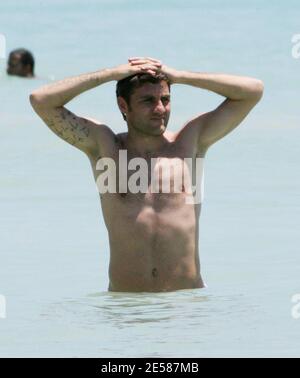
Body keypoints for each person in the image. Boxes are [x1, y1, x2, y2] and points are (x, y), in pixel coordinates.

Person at [29, 57, 264, 292]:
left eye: (165, 99)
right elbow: (41, 100)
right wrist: (111, 74)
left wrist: (180, 76)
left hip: (184, 306)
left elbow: (253, 91)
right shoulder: (105, 148)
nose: (160, 109)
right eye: (148, 101)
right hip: (127, 306)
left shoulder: (190, 143)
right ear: (123, 106)